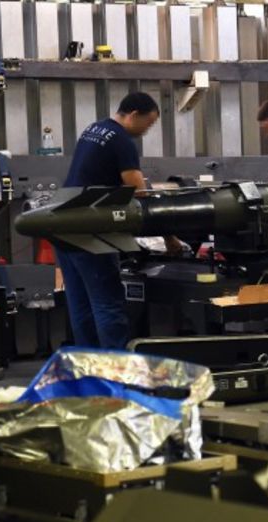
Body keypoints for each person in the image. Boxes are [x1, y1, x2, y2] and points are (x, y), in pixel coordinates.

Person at [58, 92, 160, 350]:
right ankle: (116, 372)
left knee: (81, 305)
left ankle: (90, 370)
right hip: (91, 230)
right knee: (107, 305)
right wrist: (167, 233)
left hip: (63, 224)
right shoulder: (122, 141)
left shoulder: (94, 128)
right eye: (148, 124)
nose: (147, 131)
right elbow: (139, 193)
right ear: (133, 114)